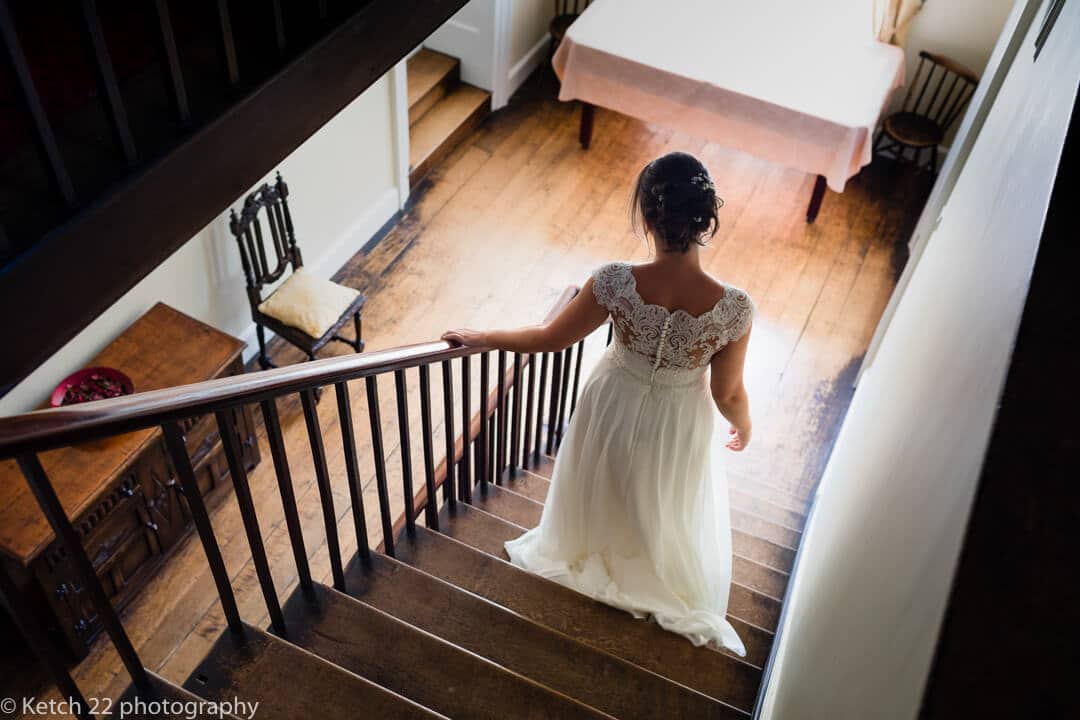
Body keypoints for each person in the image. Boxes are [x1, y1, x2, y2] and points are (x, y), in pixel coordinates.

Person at [442, 151, 753, 655]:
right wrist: (746, 424)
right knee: (664, 489)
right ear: (704, 218)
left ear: (647, 217)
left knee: (605, 475)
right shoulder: (735, 307)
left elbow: (549, 337)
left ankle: (593, 546)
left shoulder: (615, 280)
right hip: (679, 416)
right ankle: (647, 563)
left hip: (612, 398)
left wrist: (487, 336)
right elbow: (727, 392)